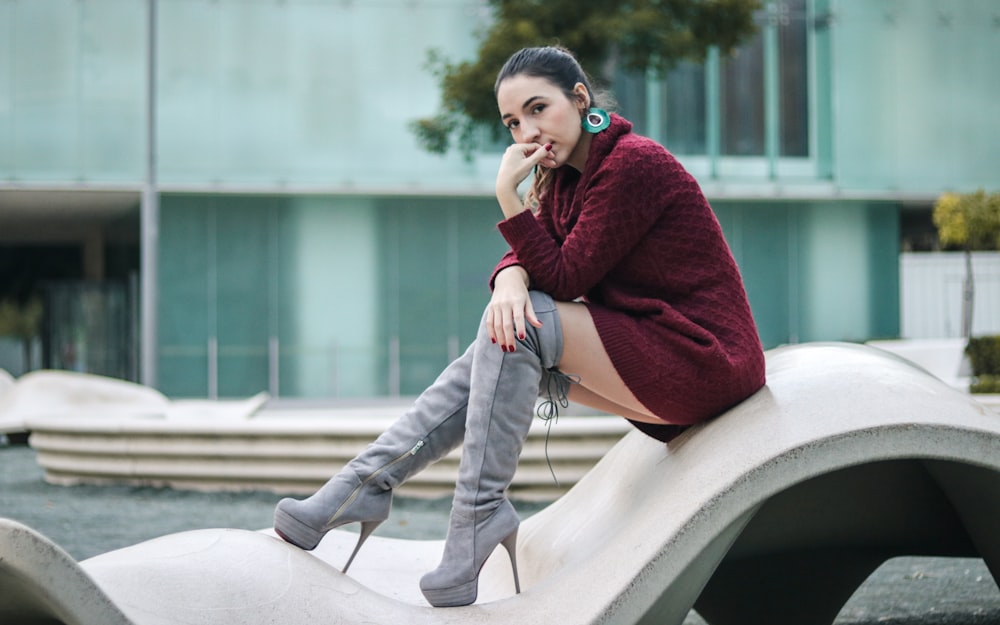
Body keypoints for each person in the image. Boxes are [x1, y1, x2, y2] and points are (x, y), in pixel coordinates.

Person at [273, 45, 766, 607]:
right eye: (513, 122)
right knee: (502, 333)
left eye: (538, 109)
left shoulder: (632, 163)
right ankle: (364, 485)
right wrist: (508, 280)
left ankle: (461, 511)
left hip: (704, 362)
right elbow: (538, 261)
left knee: (521, 325)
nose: (527, 132)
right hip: (653, 352)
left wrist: (507, 197)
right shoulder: (565, 180)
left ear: (580, 99)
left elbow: (561, 274)